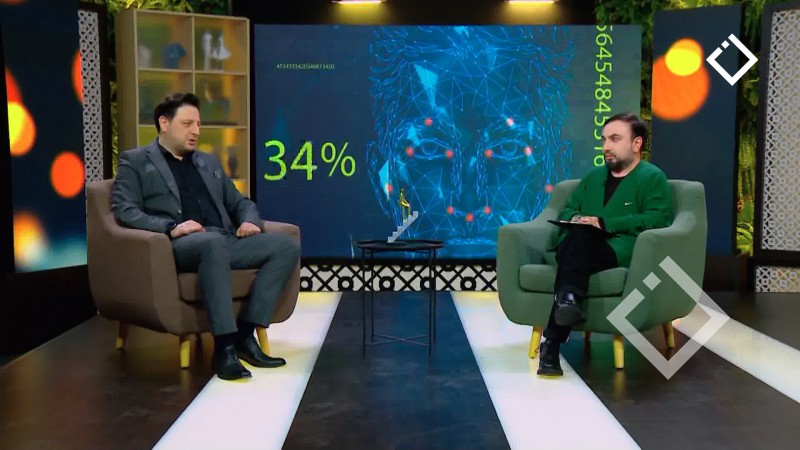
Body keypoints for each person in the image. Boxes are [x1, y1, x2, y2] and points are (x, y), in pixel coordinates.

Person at [111, 93, 300, 381]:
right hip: (179, 244)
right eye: (187, 124)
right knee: (212, 244)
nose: (196, 131)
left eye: (198, 124)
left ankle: (245, 334)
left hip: (223, 239)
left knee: (285, 246)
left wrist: (249, 221)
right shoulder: (136, 161)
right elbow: (125, 210)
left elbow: (240, 202)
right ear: (164, 123)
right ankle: (224, 348)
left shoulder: (208, 162)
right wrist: (171, 226)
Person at [537, 112, 674, 377]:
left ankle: (555, 334)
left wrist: (604, 222)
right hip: (580, 244)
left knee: (577, 247)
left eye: (615, 139)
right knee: (580, 236)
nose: (606, 146)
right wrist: (578, 219)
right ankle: (566, 307)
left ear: (636, 143)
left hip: (616, 247)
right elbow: (568, 210)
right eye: (604, 139)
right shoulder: (593, 177)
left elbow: (657, 218)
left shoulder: (652, 177)